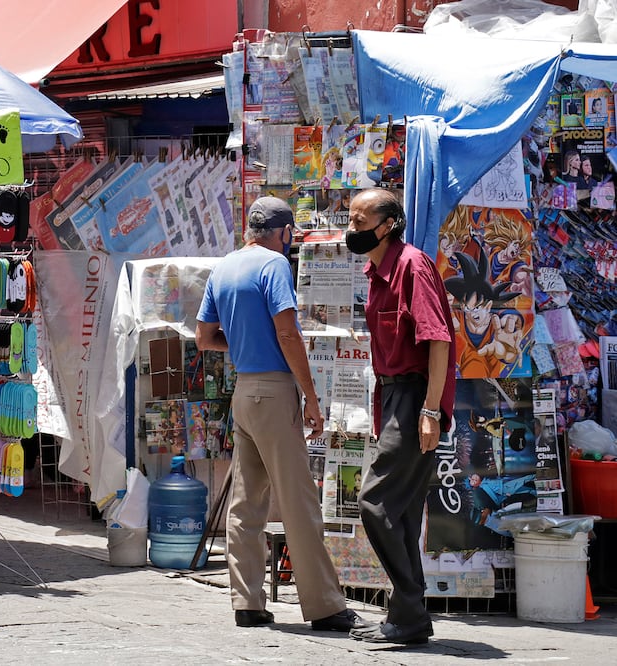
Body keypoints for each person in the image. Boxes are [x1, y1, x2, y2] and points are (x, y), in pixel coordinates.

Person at [195, 196, 365, 633]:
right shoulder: (273, 267)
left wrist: (246, 343)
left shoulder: (225, 266)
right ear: (284, 232)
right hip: (274, 391)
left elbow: (204, 338)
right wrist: (310, 396)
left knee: (246, 503)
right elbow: (288, 332)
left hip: (244, 392)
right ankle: (326, 607)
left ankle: (247, 603)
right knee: (298, 501)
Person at [345, 189, 456, 645]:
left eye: (359, 221)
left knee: (374, 501)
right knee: (404, 514)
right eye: (350, 220)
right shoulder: (377, 271)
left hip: (414, 399)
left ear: (387, 224)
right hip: (393, 398)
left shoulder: (412, 265)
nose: (352, 229)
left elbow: (439, 340)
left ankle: (409, 606)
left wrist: (430, 410)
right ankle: (408, 617)